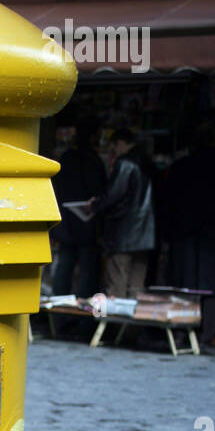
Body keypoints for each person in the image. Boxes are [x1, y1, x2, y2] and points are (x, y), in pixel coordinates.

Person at [161, 123, 215, 348]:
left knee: (185, 286)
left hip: (185, 234)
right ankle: (206, 335)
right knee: (212, 288)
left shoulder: (181, 167)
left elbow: (167, 202)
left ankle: (182, 333)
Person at [91, 126, 155, 298]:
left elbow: (114, 196)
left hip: (123, 234)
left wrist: (95, 205)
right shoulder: (147, 162)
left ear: (119, 144)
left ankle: (114, 325)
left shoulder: (125, 163)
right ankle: (132, 326)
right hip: (144, 236)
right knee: (136, 286)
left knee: (117, 283)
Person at [50, 118, 107, 298]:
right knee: (87, 275)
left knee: (63, 272)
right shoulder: (93, 160)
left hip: (65, 224)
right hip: (86, 225)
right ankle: (84, 321)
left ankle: (59, 319)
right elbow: (98, 191)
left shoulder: (66, 158)